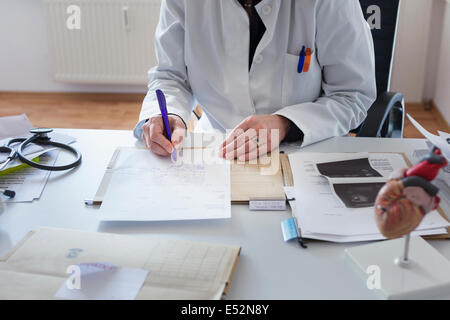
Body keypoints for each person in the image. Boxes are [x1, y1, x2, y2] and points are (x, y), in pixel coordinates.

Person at [134, 0, 377, 161]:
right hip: (216, 150)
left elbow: (352, 94)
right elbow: (171, 76)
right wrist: (168, 115)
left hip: (304, 151)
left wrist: (286, 124)